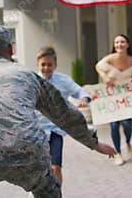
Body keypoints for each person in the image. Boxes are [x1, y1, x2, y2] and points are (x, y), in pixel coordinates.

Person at [0, 25, 116, 198]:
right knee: (49, 190)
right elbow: (63, 112)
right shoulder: (28, 76)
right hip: (28, 154)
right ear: (10, 49)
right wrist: (93, 143)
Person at [34, 46, 90, 184]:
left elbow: (79, 91)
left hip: (55, 131)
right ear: (38, 64)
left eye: (50, 64)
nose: (46, 68)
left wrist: (83, 99)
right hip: (36, 131)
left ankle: (56, 193)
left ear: (55, 65)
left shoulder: (63, 80)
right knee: (38, 167)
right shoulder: (32, 80)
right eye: (43, 64)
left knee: (55, 166)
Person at [95, 34, 132, 166]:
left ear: (127, 44)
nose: (119, 45)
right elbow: (97, 66)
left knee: (127, 124)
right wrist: (104, 76)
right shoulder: (109, 59)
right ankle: (118, 153)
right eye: (116, 43)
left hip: (126, 97)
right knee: (114, 125)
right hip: (112, 97)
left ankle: (127, 142)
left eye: (122, 42)